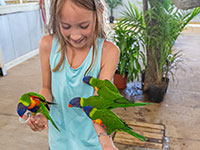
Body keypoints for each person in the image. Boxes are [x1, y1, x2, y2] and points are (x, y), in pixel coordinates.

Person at [27, 0, 120, 149]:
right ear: (57, 20)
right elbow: (46, 89)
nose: (75, 36)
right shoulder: (48, 45)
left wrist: (106, 142)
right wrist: (42, 111)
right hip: (58, 142)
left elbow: (98, 104)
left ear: (99, 13)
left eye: (84, 26)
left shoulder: (108, 52)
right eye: (66, 26)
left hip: (92, 143)